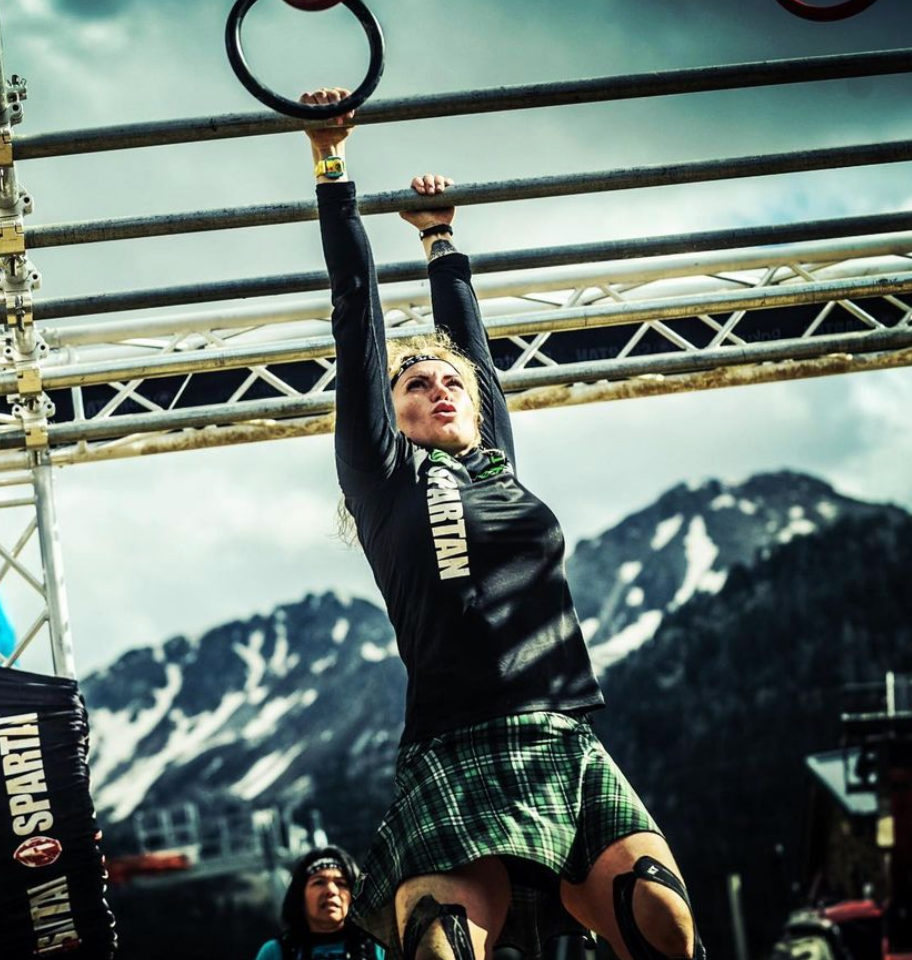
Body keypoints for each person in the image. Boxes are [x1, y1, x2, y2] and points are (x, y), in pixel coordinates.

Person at [299, 86, 707, 960]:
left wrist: (441, 239)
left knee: (661, 922)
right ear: (394, 413)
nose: (436, 386)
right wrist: (332, 165)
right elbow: (356, 318)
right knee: (443, 946)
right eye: (414, 384)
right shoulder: (384, 482)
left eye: (447, 382)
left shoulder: (500, 464)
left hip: (557, 736)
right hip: (451, 741)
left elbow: (473, 354)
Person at [254, 846, 387, 960]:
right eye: (319, 882)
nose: (331, 891)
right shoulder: (276, 952)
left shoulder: (378, 947)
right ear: (300, 896)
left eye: (341, 883)